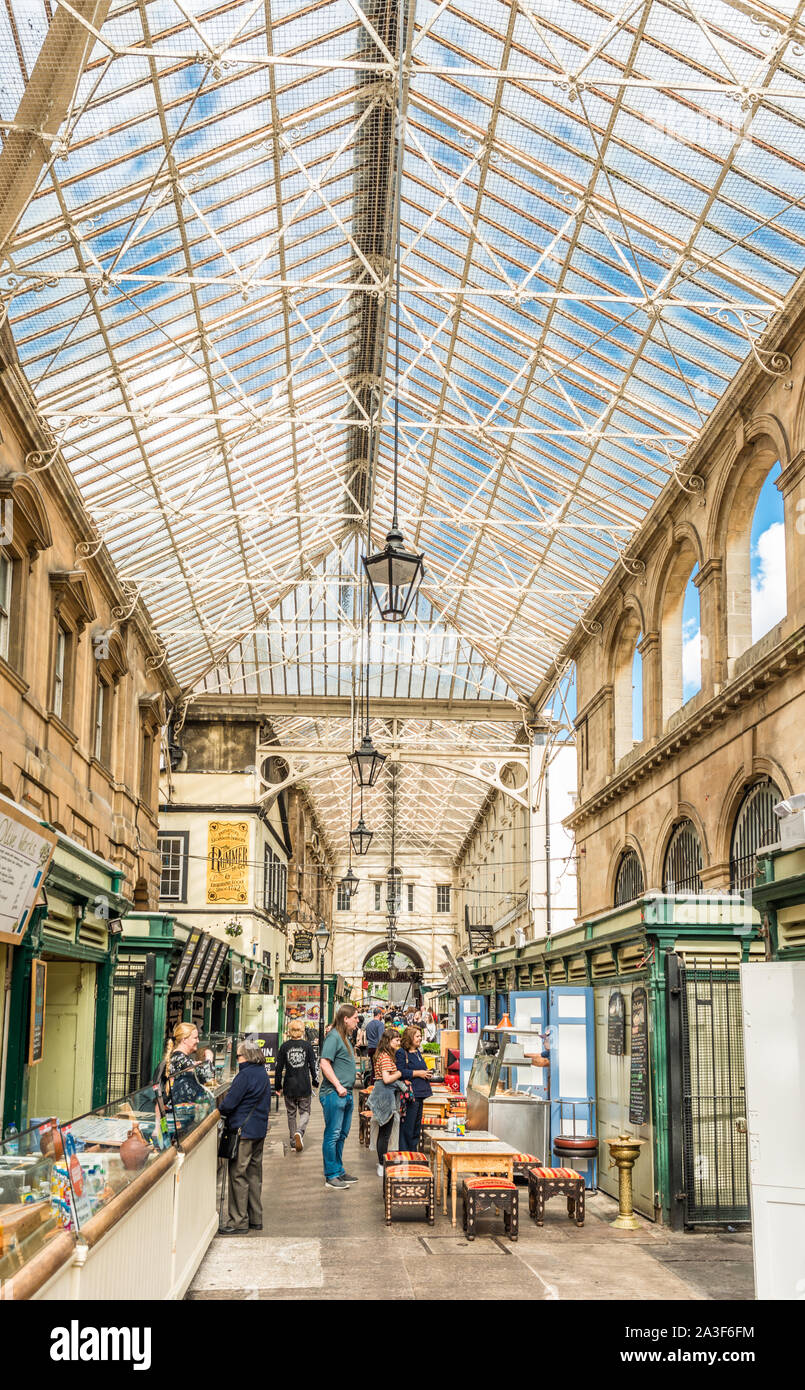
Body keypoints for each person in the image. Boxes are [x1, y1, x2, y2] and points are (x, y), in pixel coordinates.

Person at [217, 1041, 272, 1234]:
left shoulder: (245, 1075)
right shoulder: (262, 1073)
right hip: (259, 1130)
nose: (237, 1060)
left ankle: (238, 1221)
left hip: (243, 1132)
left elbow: (229, 1104)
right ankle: (255, 1218)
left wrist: (221, 1109)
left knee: (238, 1175)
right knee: (254, 1174)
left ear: (246, 1056)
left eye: (238, 1056)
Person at [319, 1003, 360, 1190]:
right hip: (334, 1094)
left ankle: (338, 1170)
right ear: (346, 1018)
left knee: (341, 1134)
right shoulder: (334, 1036)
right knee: (333, 1134)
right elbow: (324, 1063)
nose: (357, 1021)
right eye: (355, 1018)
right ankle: (331, 1175)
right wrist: (338, 1085)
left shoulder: (344, 1037)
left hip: (346, 1093)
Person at [275, 1019, 318, 1152]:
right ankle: (299, 1131)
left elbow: (278, 1068)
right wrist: (315, 1080)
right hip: (304, 1085)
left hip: (289, 1085)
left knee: (291, 1114)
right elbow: (313, 1065)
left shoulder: (284, 1046)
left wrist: (278, 1086)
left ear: (290, 1031)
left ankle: (293, 1142)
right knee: (305, 1111)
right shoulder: (307, 1046)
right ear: (302, 1031)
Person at [368, 1028, 405, 1177]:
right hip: (385, 1096)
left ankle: (382, 1163)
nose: (398, 1042)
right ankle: (381, 1164)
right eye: (396, 1040)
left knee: (385, 1132)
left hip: (384, 1095)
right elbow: (386, 1078)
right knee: (385, 1133)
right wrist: (400, 1073)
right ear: (388, 1041)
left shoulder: (384, 1055)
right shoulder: (385, 1057)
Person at [159, 1022, 215, 1107]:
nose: (198, 1041)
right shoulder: (181, 1059)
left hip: (182, 1108)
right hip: (179, 1111)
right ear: (184, 1040)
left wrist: (195, 1066)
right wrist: (209, 1058)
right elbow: (207, 1077)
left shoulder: (178, 1058)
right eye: (195, 1038)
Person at [396, 1025, 433, 1152]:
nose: (420, 1038)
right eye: (417, 1036)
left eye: (420, 1036)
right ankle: (405, 1154)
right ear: (410, 1037)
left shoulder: (417, 1052)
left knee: (416, 1127)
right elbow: (400, 1072)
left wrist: (426, 1073)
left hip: (420, 1094)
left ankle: (413, 1153)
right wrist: (418, 1073)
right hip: (410, 1095)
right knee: (408, 1126)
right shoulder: (402, 1053)